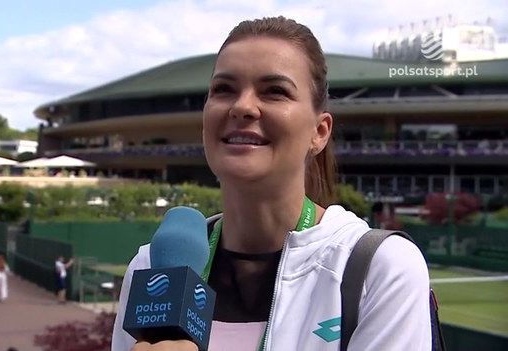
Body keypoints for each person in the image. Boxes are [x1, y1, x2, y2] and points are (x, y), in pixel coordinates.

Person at [112, 16, 431, 351]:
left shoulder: (380, 268)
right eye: (224, 89)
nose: (242, 106)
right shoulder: (151, 268)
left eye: (274, 91)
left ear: (319, 132)